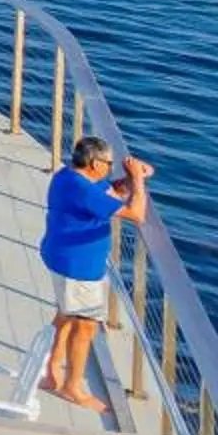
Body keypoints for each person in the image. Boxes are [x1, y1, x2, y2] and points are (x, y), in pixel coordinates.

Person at [38, 135, 151, 411]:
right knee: (85, 325)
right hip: (79, 267)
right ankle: (72, 387)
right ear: (94, 162)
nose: (111, 168)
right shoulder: (85, 191)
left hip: (62, 257)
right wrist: (137, 181)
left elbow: (108, 192)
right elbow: (137, 214)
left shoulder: (69, 177)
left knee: (67, 312)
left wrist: (128, 179)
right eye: (109, 163)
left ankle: (53, 367)